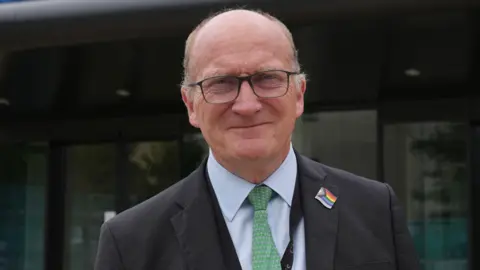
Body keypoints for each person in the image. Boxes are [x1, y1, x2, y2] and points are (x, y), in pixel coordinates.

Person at [94, 8, 420, 270]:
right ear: (191, 105)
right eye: (221, 83)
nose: (247, 105)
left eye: (267, 79)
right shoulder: (131, 243)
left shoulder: (375, 209)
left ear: (299, 95)